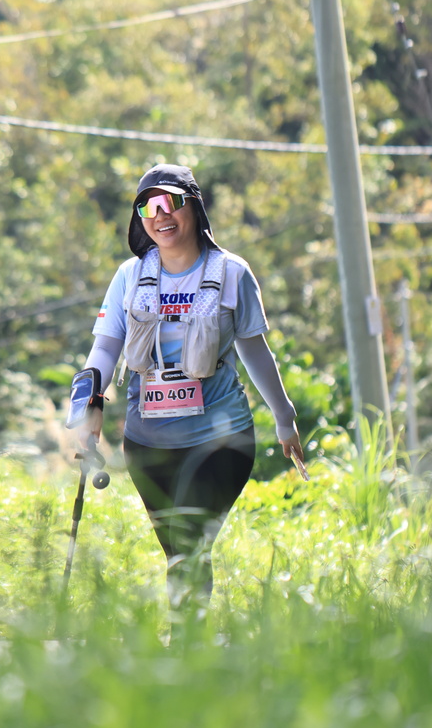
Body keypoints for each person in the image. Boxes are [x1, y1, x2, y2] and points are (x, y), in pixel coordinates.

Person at [72, 162, 304, 610]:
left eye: (171, 202)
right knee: (179, 551)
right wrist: (89, 406)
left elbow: (255, 351)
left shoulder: (232, 273)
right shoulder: (129, 276)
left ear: (194, 206)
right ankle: (190, 645)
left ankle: (185, 639)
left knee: (189, 542)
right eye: (148, 207)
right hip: (148, 443)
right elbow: (104, 349)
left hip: (221, 438)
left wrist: (284, 418)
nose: (161, 215)